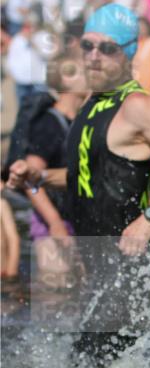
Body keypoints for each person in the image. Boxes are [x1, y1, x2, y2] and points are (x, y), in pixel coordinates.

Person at [5, 3, 150, 364]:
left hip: (128, 267)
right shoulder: (92, 104)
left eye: (107, 48)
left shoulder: (140, 106)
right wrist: (37, 176)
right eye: (87, 45)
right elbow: (87, 176)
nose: (94, 56)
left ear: (129, 53)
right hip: (96, 269)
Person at [21, 53, 89, 286]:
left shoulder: (82, 120)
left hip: (78, 218)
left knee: (81, 291)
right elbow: (29, 179)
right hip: (51, 222)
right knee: (55, 293)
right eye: (85, 72)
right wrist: (54, 223)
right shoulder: (48, 123)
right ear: (66, 79)